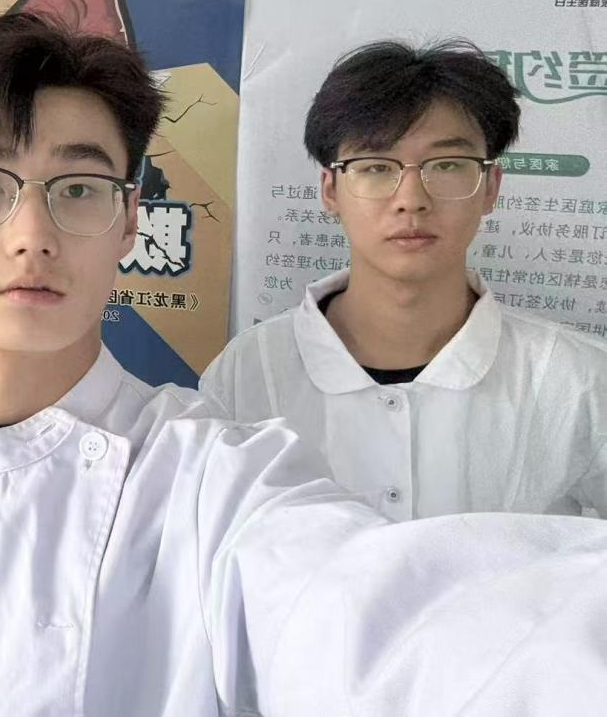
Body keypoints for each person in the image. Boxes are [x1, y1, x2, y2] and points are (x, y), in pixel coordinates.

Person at [0, 14, 607, 715]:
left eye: (77, 188)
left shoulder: (215, 481)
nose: (31, 234)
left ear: (127, 222)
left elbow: (387, 620)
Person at [201, 41, 607, 520]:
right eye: (376, 167)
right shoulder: (246, 374)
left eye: (447, 165)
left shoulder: (579, 381)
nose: (411, 198)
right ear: (331, 190)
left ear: (491, 187)